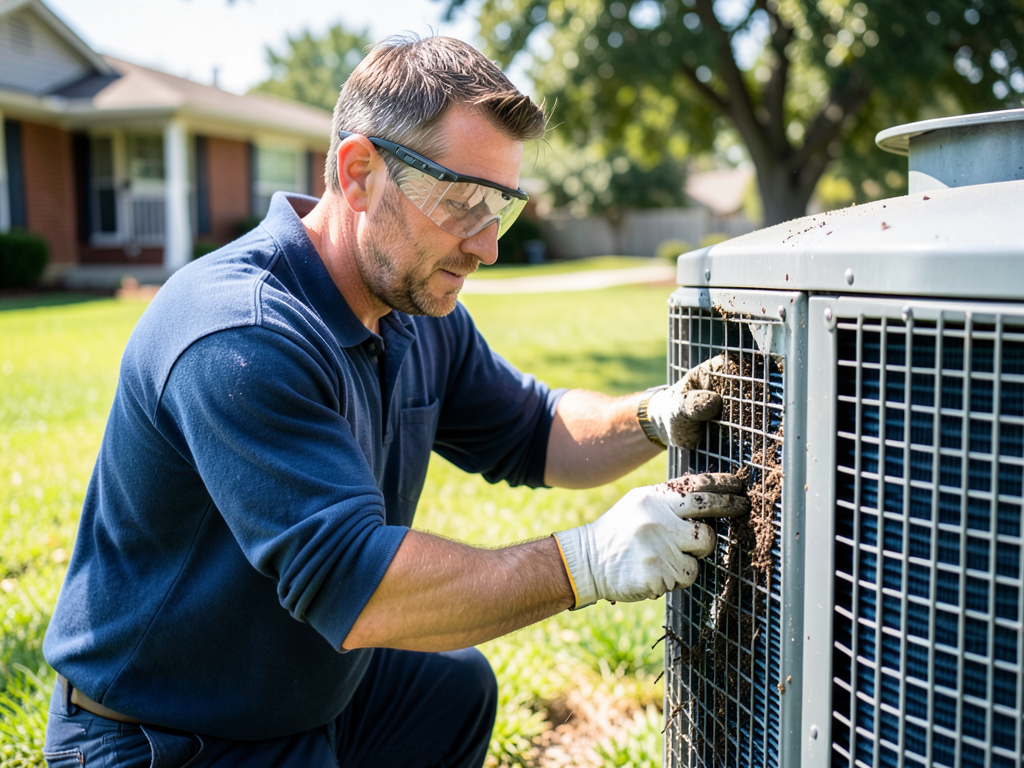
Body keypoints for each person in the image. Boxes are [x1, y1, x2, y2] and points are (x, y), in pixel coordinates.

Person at [41, 35, 748, 768]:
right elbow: (356, 582)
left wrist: (653, 415)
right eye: (461, 203)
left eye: (498, 208)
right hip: (167, 734)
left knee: (449, 691)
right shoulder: (240, 332)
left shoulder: (410, 311)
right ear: (359, 174)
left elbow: (537, 430)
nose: (487, 245)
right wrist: (587, 563)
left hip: (299, 692)